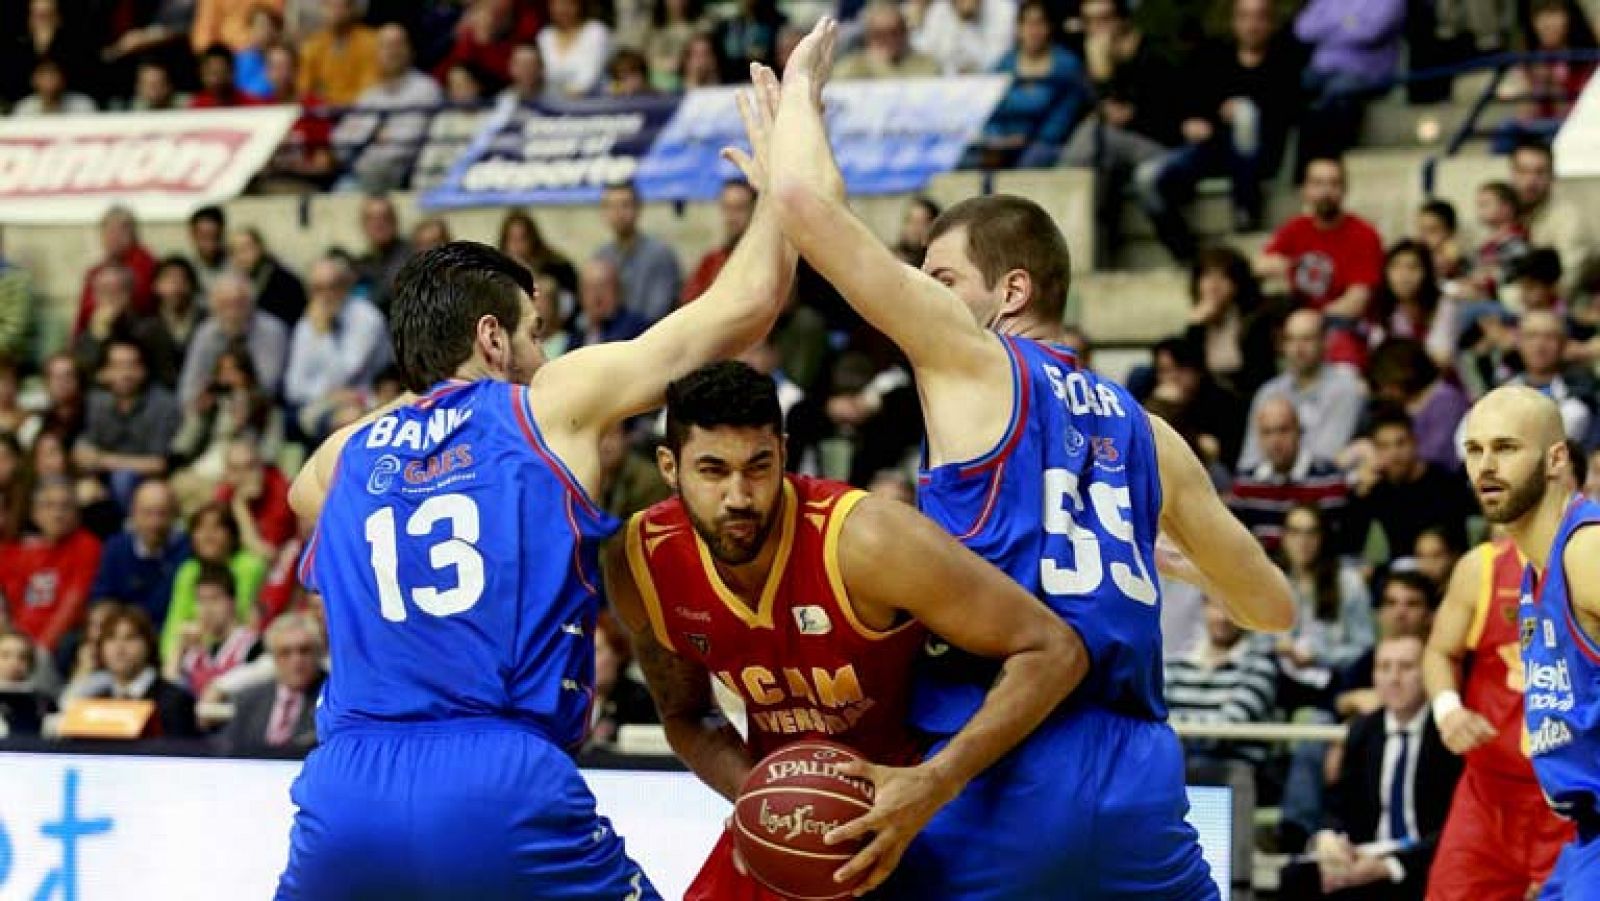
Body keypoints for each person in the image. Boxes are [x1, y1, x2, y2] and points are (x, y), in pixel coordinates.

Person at [764, 22, 1295, 897]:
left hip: (1008, 750)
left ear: (1010, 292)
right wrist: (1174, 568)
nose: (924, 295)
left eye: (942, 277)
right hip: (1141, 776)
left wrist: (801, 99)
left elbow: (804, 206)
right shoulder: (1149, 432)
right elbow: (1272, 607)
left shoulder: (971, 356)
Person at [275, 82, 795, 897]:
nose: (545, 356)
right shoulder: (544, 407)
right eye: (535, 334)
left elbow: (318, 493)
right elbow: (748, 304)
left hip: (345, 792)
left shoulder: (341, 459)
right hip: (496, 779)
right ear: (492, 338)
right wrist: (781, 187)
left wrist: (420, 402)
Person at [604, 362, 1081, 897]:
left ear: (784, 452)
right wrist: (758, 800)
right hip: (791, 814)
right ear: (669, 466)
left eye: (758, 467)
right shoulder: (642, 561)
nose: (739, 495)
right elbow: (686, 715)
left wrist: (937, 782)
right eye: (712, 470)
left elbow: (1054, 649)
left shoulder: (869, 541)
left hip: (921, 800)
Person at [1461, 385, 1600, 896]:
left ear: (1555, 458)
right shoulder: (1532, 568)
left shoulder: (1586, 552)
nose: (1486, 466)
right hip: (1582, 837)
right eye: (1475, 451)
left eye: (1506, 447)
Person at [1424, 536, 1575, 899]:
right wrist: (1449, 710)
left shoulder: (1589, 565)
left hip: (1576, 797)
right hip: (1488, 793)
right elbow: (1440, 651)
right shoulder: (1483, 566)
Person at [1279, 633, 1464, 900]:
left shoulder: (1448, 732)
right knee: (1298, 876)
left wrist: (1390, 865)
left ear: (1427, 673)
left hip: (1425, 858)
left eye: (1406, 667)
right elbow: (1340, 804)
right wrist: (1328, 837)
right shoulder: (1364, 729)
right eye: (1384, 667)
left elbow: (1456, 826)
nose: (1394, 678)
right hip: (1370, 851)